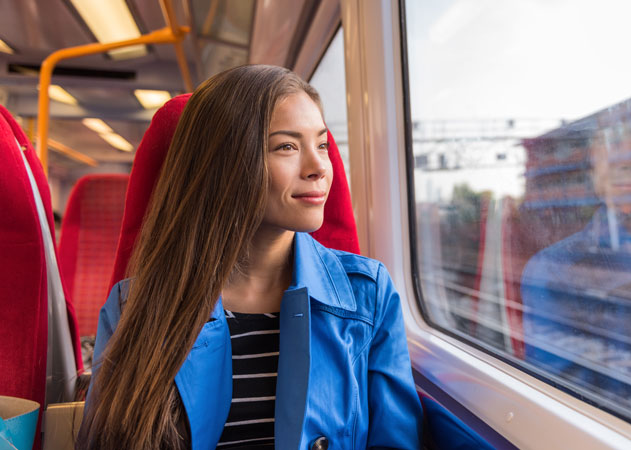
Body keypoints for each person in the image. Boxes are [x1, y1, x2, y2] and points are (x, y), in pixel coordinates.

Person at [77, 65, 422, 450]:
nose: (319, 168)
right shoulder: (132, 306)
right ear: (225, 165)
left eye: (321, 145)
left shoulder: (368, 294)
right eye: (287, 146)